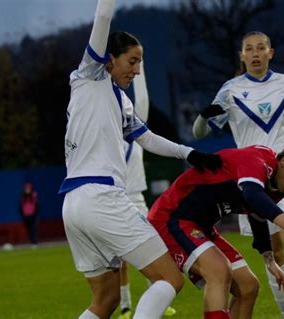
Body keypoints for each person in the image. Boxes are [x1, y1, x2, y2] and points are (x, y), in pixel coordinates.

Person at [58, 0, 222, 318]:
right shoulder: (90, 75)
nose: (136, 69)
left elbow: (146, 138)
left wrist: (189, 153)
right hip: (102, 198)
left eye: (140, 63)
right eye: (132, 61)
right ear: (109, 59)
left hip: (73, 205)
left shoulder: (119, 100)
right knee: (169, 278)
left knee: (105, 300)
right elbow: (104, 14)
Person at [192, 31, 284, 318]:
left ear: (270, 53)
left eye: (260, 48)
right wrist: (202, 116)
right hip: (252, 178)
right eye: (249, 49)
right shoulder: (230, 90)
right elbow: (199, 133)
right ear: (241, 56)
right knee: (274, 251)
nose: (255, 53)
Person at [147, 135, 284, 319]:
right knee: (218, 270)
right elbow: (252, 195)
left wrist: (269, 259)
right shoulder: (258, 159)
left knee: (248, 286)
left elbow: (257, 214)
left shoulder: (279, 185)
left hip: (201, 226)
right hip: (172, 217)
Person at [117, 62, 176, 319]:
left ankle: (157, 300)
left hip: (137, 198)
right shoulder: (105, 135)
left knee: (155, 248)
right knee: (117, 260)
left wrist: (139, 66)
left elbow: (141, 99)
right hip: (112, 199)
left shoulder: (136, 126)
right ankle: (126, 306)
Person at [19, 182, 39, 247]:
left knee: (34, 229)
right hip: (26, 216)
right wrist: (22, 214)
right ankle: (32, 242)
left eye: (29, 188)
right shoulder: (23, 196)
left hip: (33, 215)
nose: (27, 189)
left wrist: (36, 213)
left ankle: (35, 242)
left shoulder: (34, 195)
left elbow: (36, 205)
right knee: (29, 229)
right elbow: (21, 206)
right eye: (26, 188)